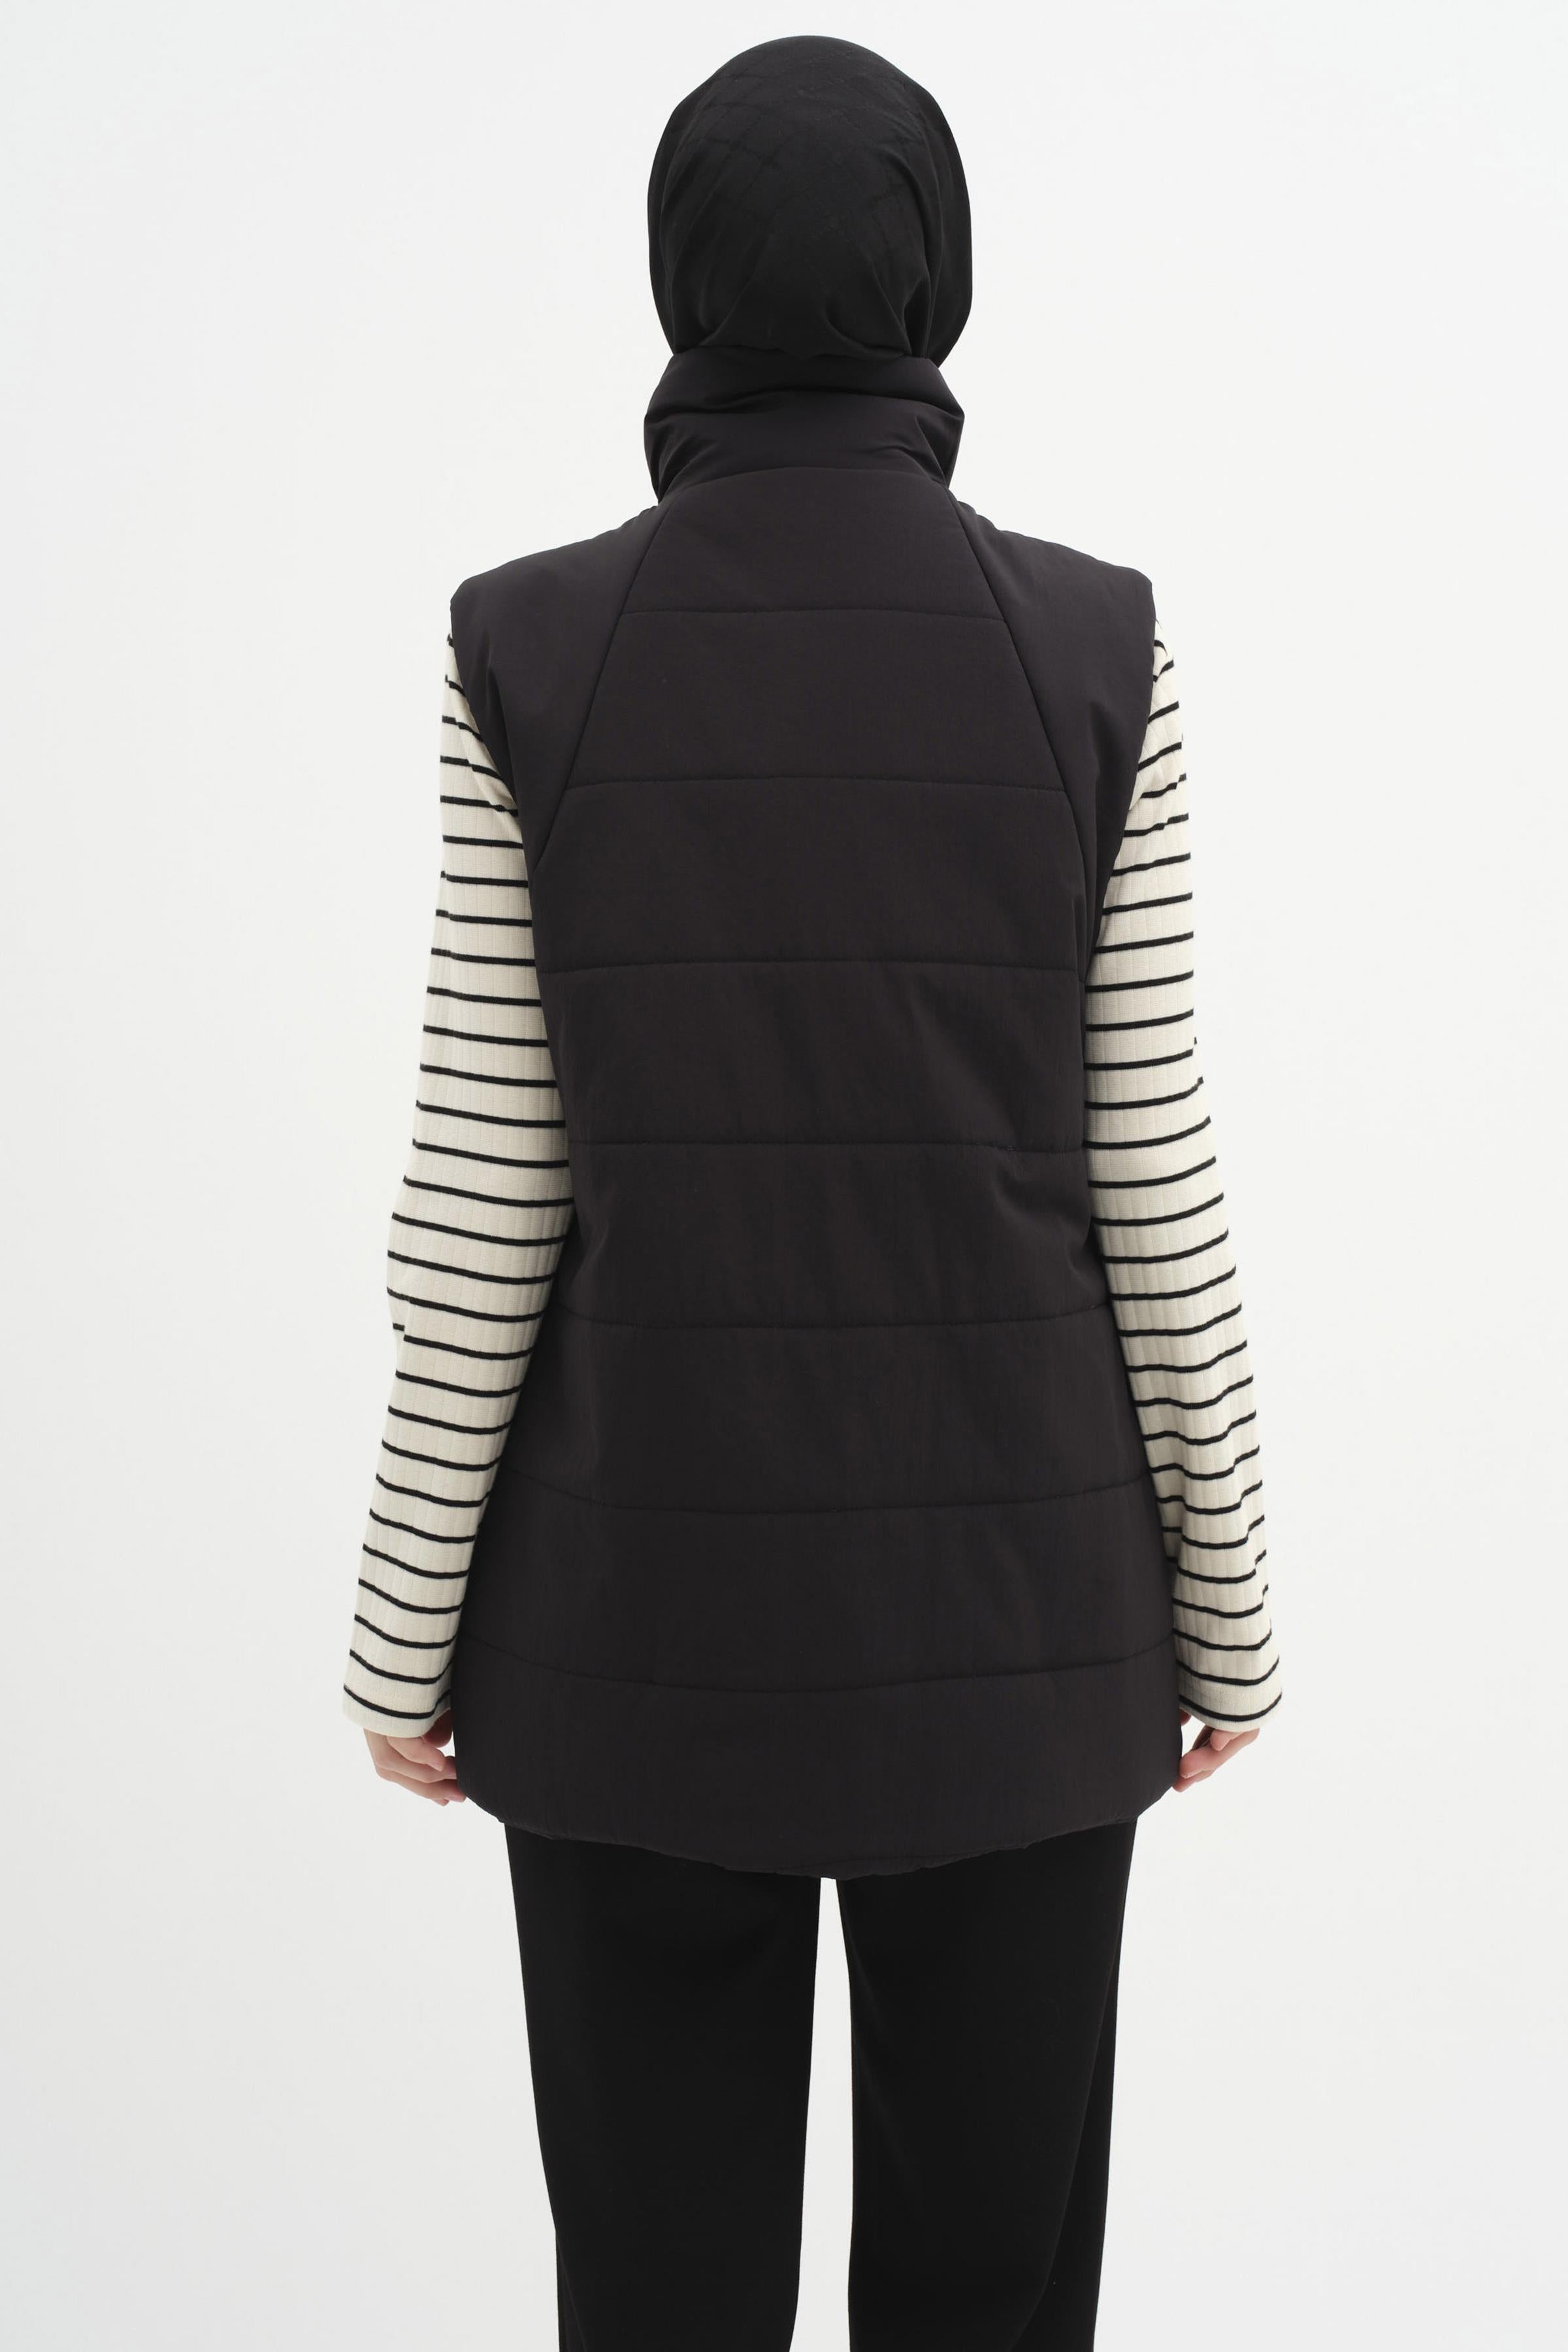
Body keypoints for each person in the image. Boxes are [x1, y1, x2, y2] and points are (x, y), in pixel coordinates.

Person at [341, 34, 1281, 2350]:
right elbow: (1155, 1180)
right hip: (1027, 1642)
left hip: (630, 1648)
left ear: (676, 277)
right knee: (990, 2305)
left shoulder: (526, 643)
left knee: (658, 2304)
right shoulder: (1098, 646)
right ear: (940, 280)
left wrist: (401, 1629)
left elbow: (481, 1202)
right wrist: (1232, 1613)